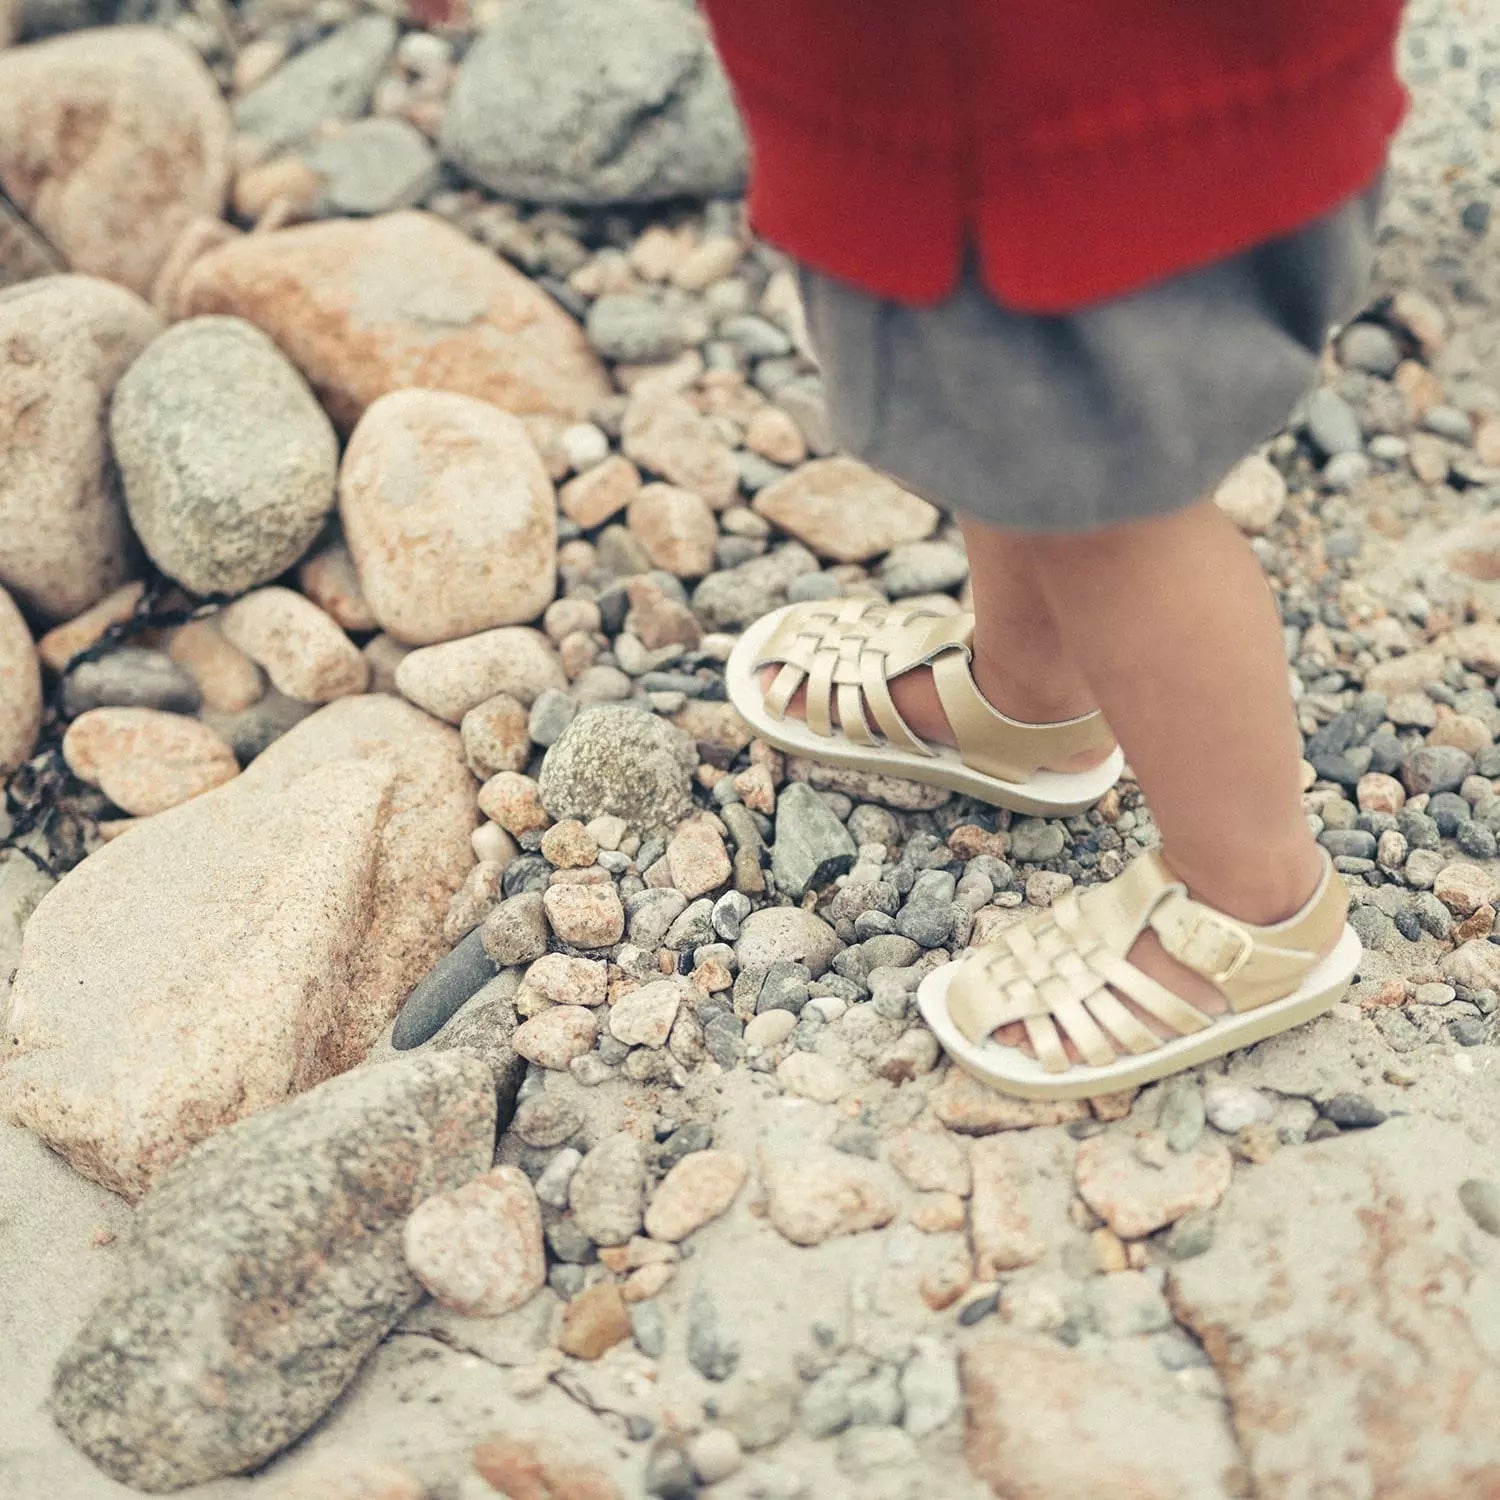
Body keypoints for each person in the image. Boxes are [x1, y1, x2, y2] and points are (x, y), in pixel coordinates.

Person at [705, 0, 1410, 1100]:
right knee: (1019, 428)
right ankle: (1033, 698)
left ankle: (1254, 903)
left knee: (1116, 502)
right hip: (1133, 94)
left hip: (1046, 117)